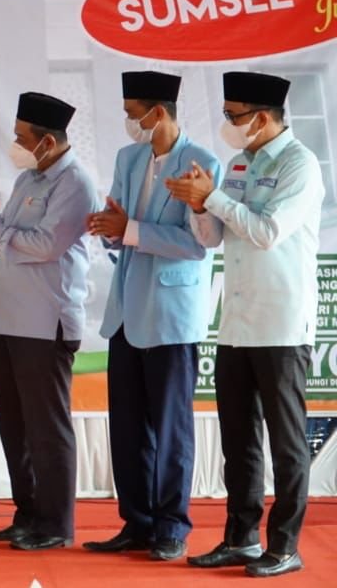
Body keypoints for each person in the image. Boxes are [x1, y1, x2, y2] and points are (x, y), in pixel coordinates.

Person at [167, 71, 323, 578]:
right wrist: (198, 205)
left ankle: (285, 546)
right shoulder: (238, 163)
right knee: (238, 440)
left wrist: (212, 198)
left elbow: (267, 231)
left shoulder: (300, 164)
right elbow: (215, 236)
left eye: (233, 116)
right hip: (235, 322)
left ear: (262, 117)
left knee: (287, 444)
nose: (228, 124)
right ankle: (241, 538)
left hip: (281, 322)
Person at [83, 71, 221, 562]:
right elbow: (121, 226)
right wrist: (109, 228)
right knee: (127, 427)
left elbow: (198, 244)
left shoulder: (201, 163)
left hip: (170, 315)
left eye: (132, 113)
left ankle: (171, 527)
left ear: (158, 113)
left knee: (170, 428)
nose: (129, 122)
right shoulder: (130, 157)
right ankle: (137, 523)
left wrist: (131, 229)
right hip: (126, 310)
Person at [0, 91, 95, 551]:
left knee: (47, 428)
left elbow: (46, 245)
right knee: (15, 426)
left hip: (45, 323)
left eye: (22, 137)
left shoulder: (74, 183)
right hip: (9, 320)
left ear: (48, 141)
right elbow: (6, 240)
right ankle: (28, 513)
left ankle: (55, 524)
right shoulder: (27, 179)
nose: (16, 145)